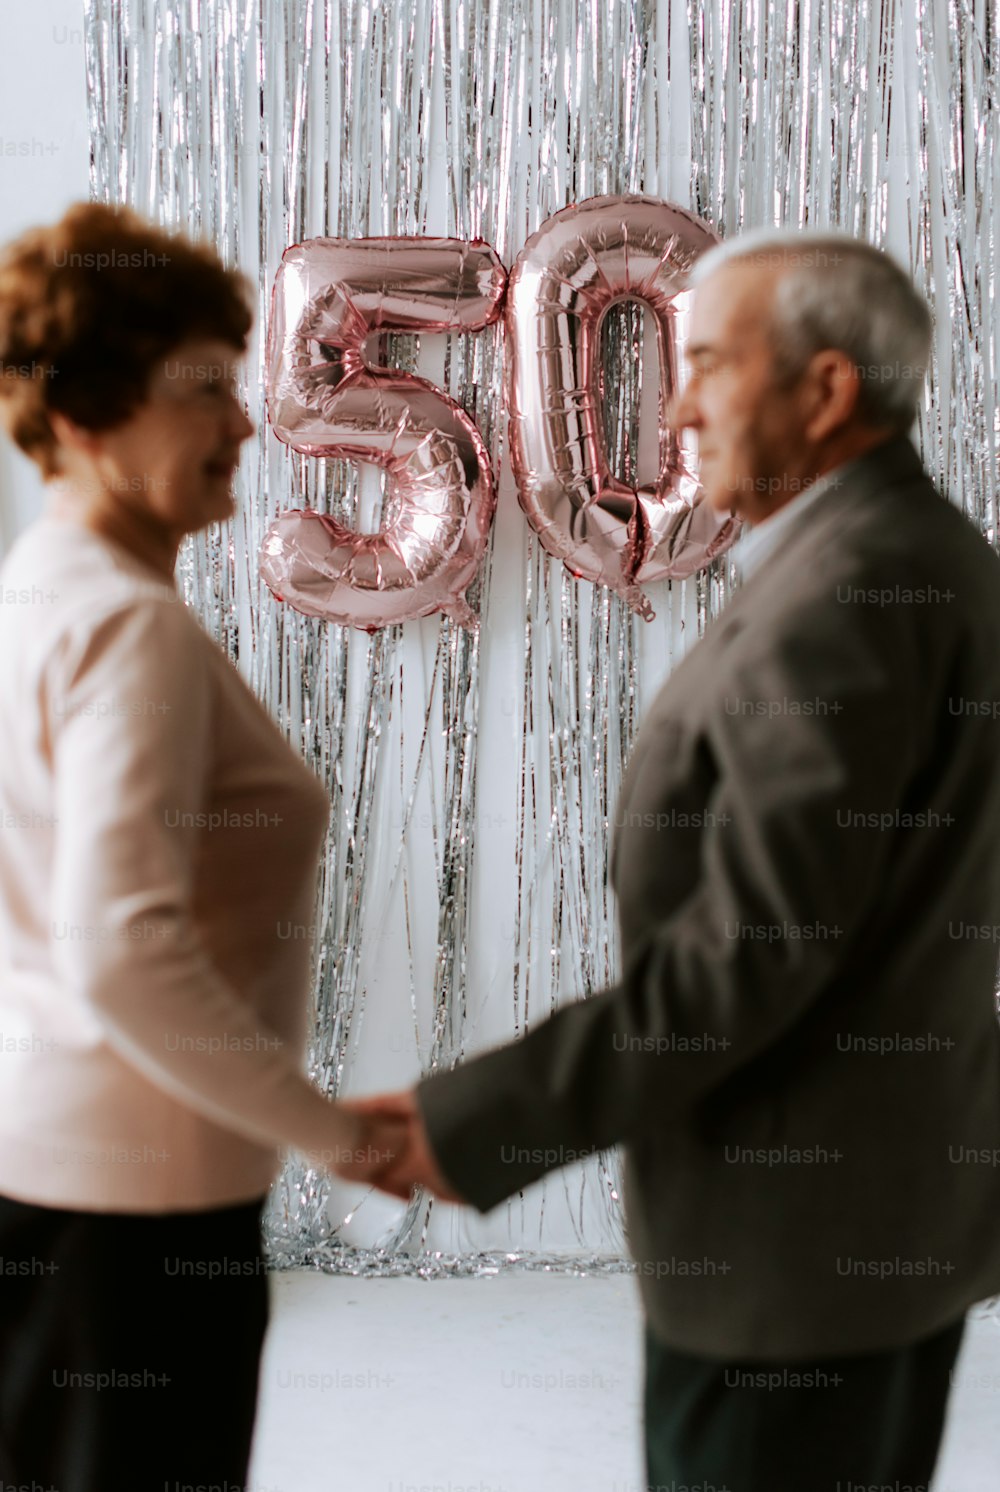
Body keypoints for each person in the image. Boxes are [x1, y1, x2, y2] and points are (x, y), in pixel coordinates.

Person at [347, 229, 1000, 1490]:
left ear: (824, 388)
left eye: (707, 363)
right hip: (883, 1219)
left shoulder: (848, 599)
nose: (674, 403)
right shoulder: (924, 551)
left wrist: (473, 1119)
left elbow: (746, 960)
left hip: (791, 1258)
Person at [0, 202, 401, 1492]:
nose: (245, 426)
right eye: (204, 392)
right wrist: (334, 1135)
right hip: (133, 1221)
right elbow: (121, 950)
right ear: (80, 416)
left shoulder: (36, 595)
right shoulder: (128, 630)